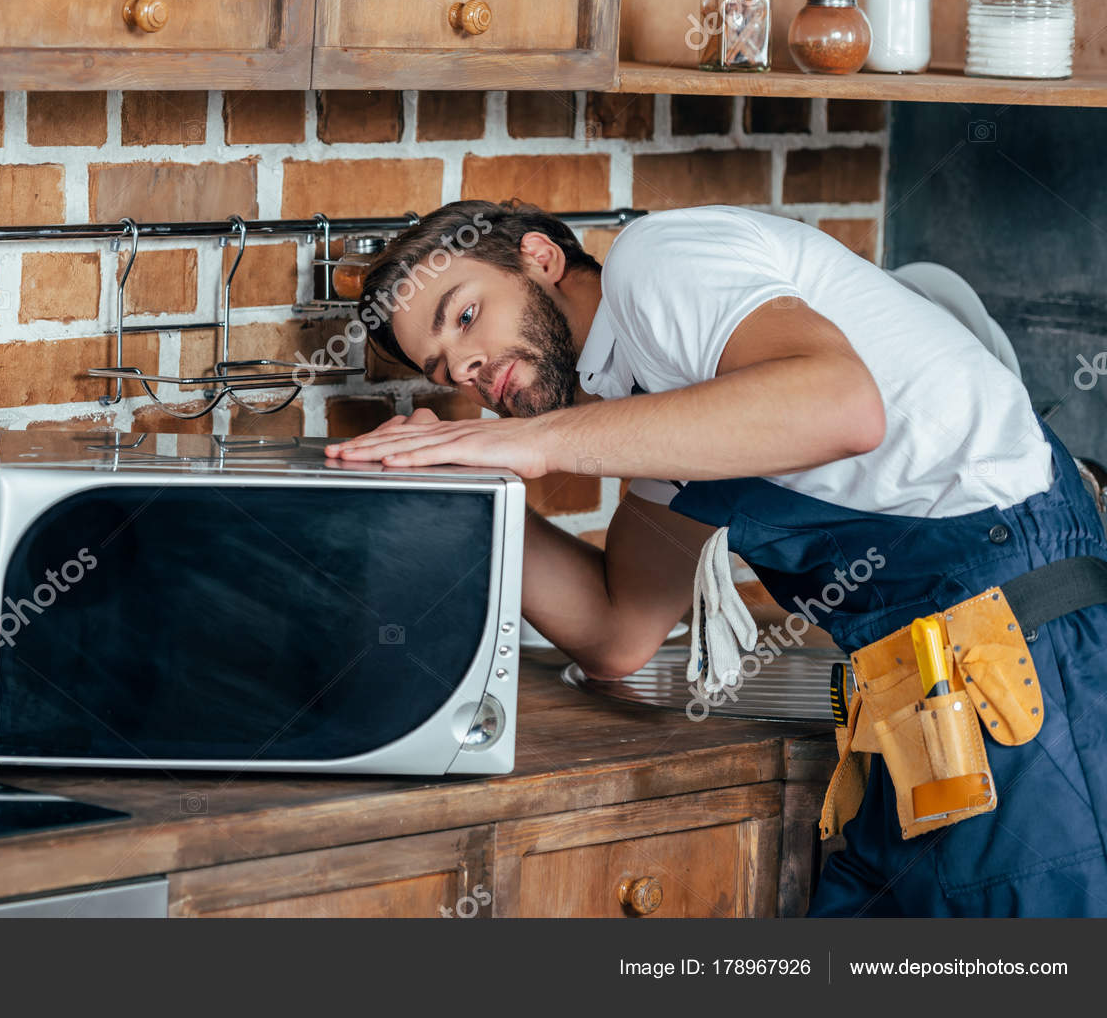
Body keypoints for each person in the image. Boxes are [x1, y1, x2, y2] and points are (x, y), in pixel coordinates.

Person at [325, 198, 1107, 917]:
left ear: (540, 258)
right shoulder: (649, 413)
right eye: (441, 371)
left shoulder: (657, 260)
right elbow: (615, 632)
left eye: (465, 315)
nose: (464, 371)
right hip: (923, 720)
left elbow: (840, 402)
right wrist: (453, 485)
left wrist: (530, 441)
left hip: (1028, 679)